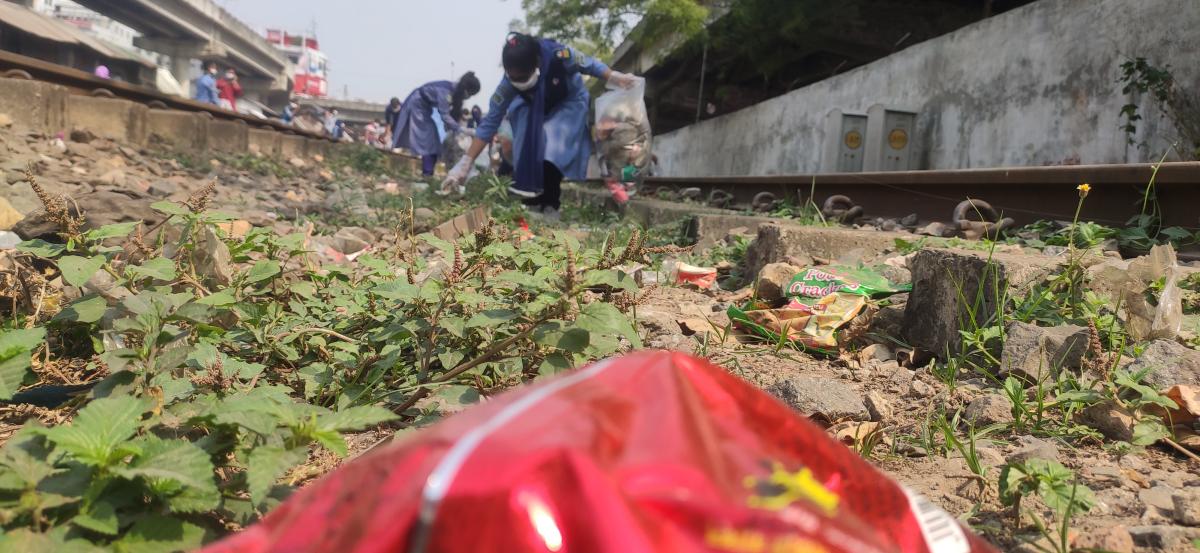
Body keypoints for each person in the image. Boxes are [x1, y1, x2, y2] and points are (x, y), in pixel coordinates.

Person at [443, 33, 637, 218]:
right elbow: (489, 124)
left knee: (553, 143)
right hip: (530, 105)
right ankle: (530, 199)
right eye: (513, 78)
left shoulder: (560, 55)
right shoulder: (507, 86)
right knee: (526, 143)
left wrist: (613, 77)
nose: (517, 81)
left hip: (567, 101)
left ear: (536, 62)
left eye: (522, 77)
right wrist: (465, 163)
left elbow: (589, 64)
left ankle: (551, 202)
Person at [391, 72, 481, 176]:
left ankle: (429, 172)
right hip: (417, 105)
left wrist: (454, 128)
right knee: (428, 142)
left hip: (424, 108)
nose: (469, 97)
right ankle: (427, 174)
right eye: (470, 93)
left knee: (434, 141)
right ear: (466, 89)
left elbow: (450, 115)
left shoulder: (453, 91)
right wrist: (462, 129)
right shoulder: (446, 92)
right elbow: (445, 115)